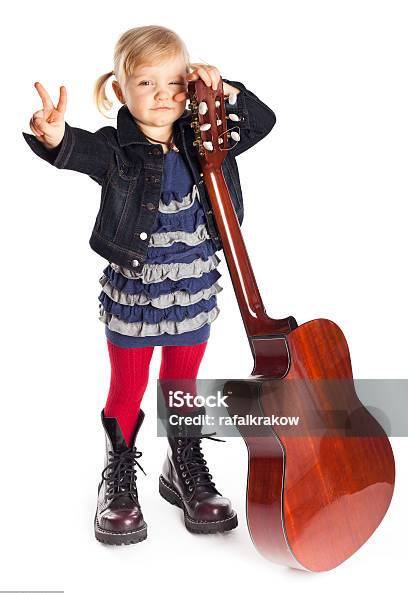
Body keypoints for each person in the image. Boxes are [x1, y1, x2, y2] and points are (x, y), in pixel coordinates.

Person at [22, 25, 276, 546]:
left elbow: (264, 121)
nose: (164, 95)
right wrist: (54, 137)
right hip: (136, 296)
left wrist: (224, 91)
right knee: (129, 385)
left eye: (176, 83)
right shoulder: (117, 148)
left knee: (182, 382)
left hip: (193, 289)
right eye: (146, 84)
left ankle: (180, 460)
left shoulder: (207, 136)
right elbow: (78, 152)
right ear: (119, 90)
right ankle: (118, 474)